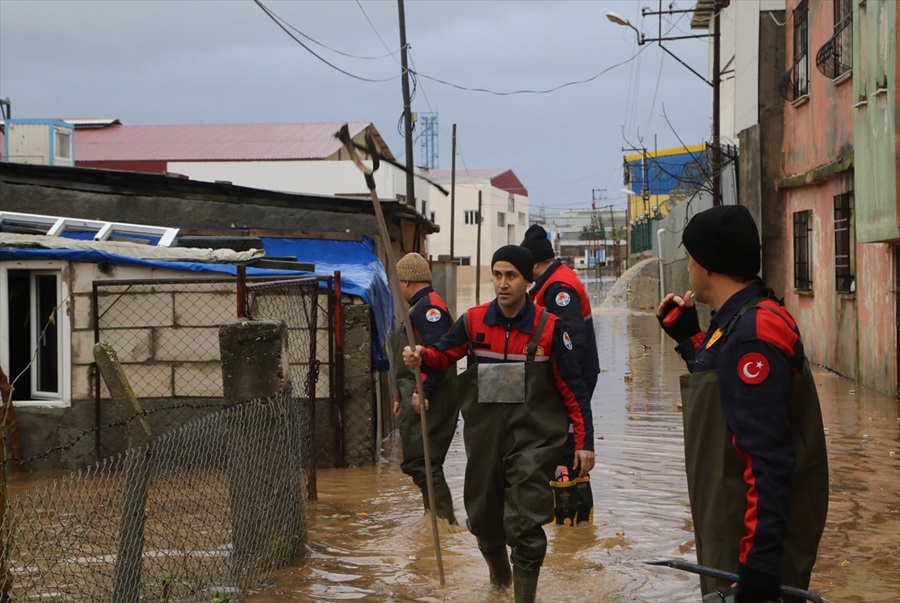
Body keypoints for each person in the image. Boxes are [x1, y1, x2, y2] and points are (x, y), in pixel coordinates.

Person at [403, 245, 595, 603]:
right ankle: (498, 585)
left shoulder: (549, 328)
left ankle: (524, 597)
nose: (502, 283)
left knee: (524, 521)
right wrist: (421, 356)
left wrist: (583, 440)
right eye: (497, 274)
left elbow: (574, 389)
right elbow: (444, 353)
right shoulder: (474, 321)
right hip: (485, 439)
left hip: (534, 441)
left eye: (511, 276)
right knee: (484, 520)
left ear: (527, 281)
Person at [657, 205, 829, 603]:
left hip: (748, 540)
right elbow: (728, 392)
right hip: (733, 525)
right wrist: (689, 339)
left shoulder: (754, 333)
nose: (689, 269)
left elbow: (768, 455)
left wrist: (761, 563)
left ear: (709, 265)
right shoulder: (737, 321)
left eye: (690, 259)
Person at [520, 224, 600, 526]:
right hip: (574, 378)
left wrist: (567, 389)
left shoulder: (558, 289)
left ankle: (569, 527)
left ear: (536, 264)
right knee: (570, 445)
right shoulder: (556, 281)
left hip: (572, 378)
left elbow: (572, 342)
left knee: (564, 449)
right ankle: (580, 526)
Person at [389, 252, 460, 525]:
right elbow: (409, 359)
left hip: (431, 395)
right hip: (414, 393)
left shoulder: (429, 309)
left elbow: (437, 356)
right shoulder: (418, 306)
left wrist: (423, 393)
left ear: (406, 280)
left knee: (424, 462)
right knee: (421, 461)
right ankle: (434, 520)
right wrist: (399, 396)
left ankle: (444, 524)